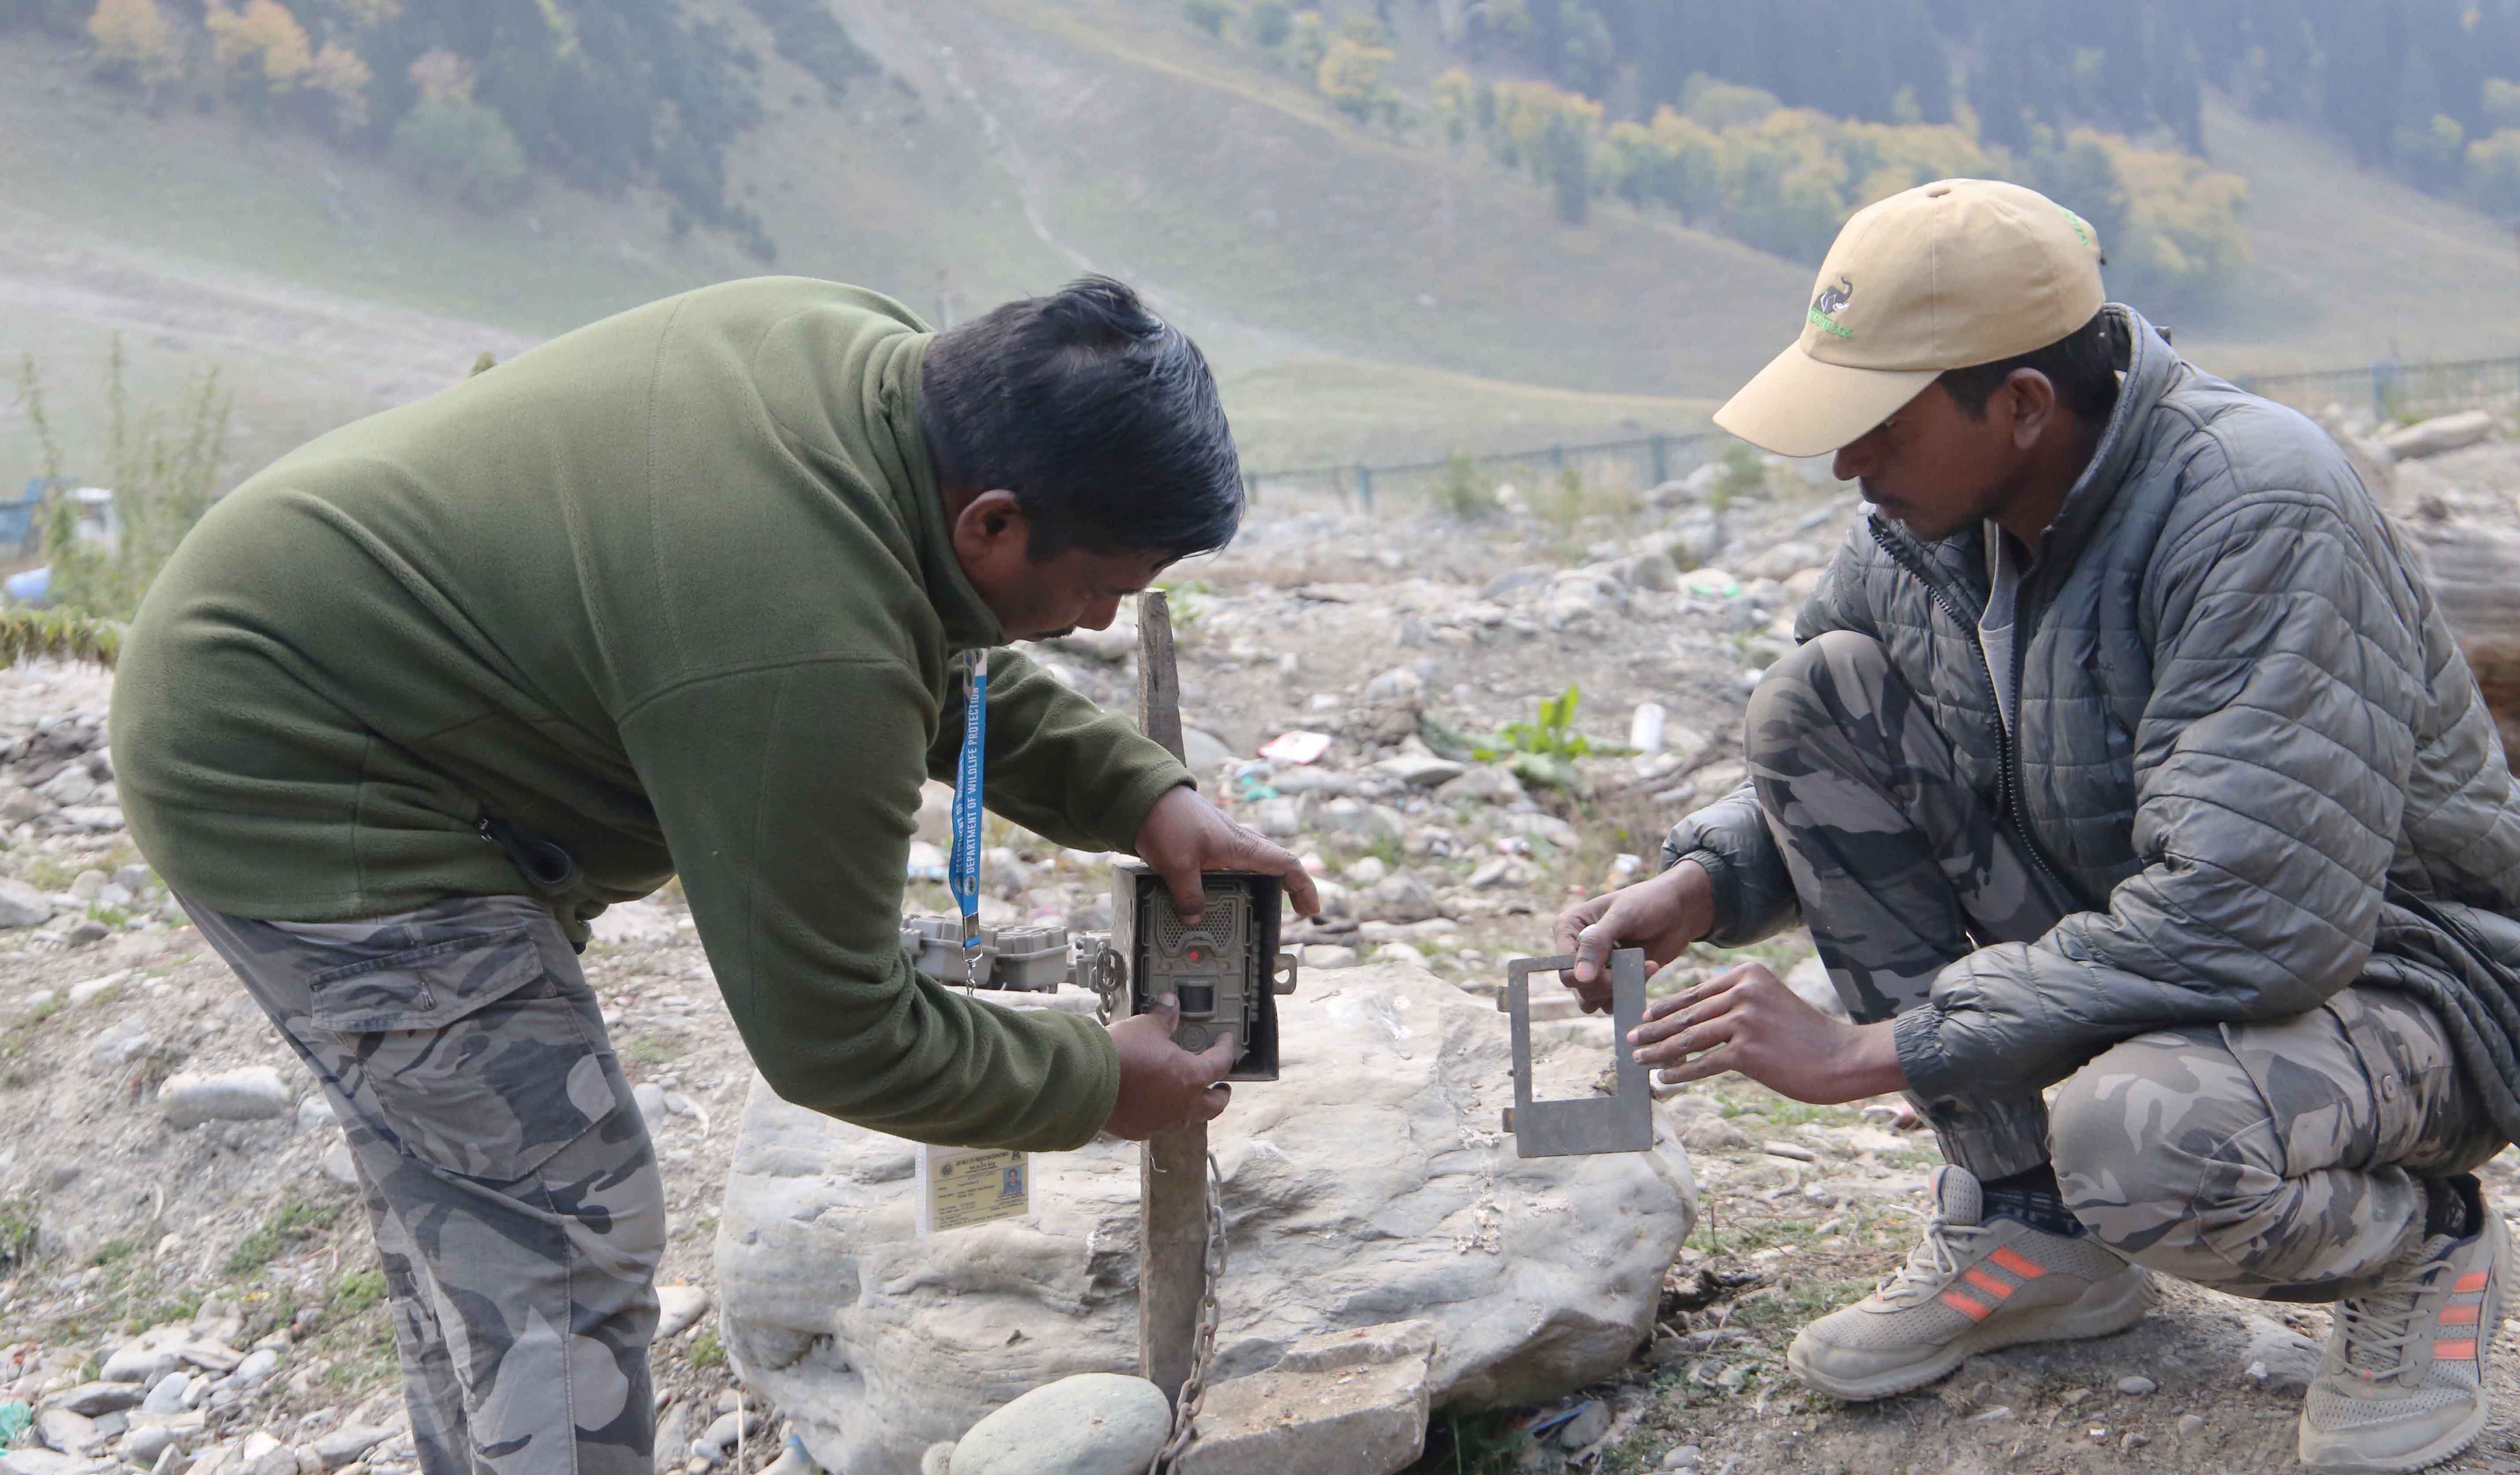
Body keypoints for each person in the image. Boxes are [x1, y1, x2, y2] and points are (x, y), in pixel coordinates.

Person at [109, 274, 1316, 1475]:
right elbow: (839, 1036)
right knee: (563, 1216)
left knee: (489, 1208)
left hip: (300, 650)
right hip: (292, 772)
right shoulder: (799, 645)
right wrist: (1091, 1079)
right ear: (992, 523)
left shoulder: (871, 367)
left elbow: (913, 628)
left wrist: (1139, 790)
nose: (1104, 621)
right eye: (1104, 584)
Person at [1555, 179, 2520, 1474]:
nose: (1848, 465)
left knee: (2139, 1140)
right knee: (1814, 694)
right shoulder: (1920, 526)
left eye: (1879, 427)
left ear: (2018, 406)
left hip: (2407, 981)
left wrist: (1873, 1051)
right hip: (2143, 931)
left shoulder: (2252, 508)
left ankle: (2417, 1254)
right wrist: (1707, 879)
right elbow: (1854, 751)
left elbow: (2249, 916)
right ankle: (2030, 1227)